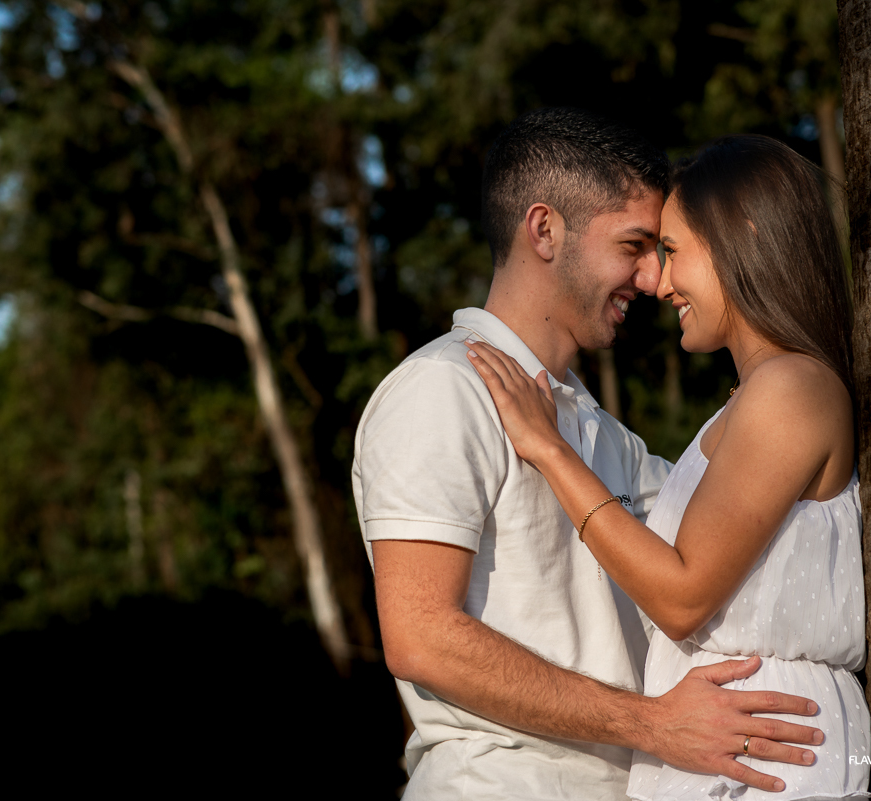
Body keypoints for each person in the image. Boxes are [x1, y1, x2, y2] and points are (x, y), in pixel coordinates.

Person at [352, 109, 824, 801]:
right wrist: (655, 724)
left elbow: (729, 542)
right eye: (634, 244)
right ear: (545, 230)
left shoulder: (599, 429)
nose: (651, 277)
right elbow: (421, 637)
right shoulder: (441, 389)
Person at [465, 134, 870, 800]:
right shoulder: (755, 400)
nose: (658, 281)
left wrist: (550, 451)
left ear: (740, 237)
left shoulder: (792, 389)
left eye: (673, 251)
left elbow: (682, 596)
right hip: (736, 748)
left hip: (771, 759)